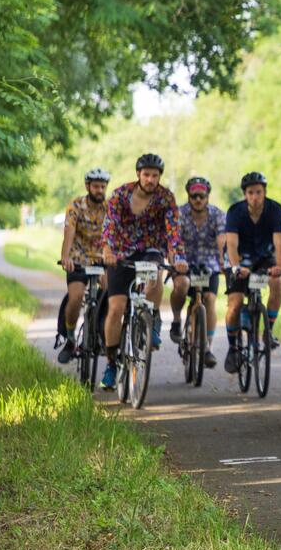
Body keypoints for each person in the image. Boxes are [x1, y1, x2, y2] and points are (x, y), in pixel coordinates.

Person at [99, 154, 187, 390]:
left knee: (155, 274)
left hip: (150, 250)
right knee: (116, 308)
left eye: (155, 175)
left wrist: (177, 258)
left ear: (159, 177)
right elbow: (109, 227)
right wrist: (107, 251)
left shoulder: (165, 197)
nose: (150, 179)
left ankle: (152, 317)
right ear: (138, 174)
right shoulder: (120, 194)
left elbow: (173, 232)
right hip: (120, 253)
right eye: (146, 174)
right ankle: (111, 363)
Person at [223, 171, 281, 374]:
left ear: (264, 192)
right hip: (239, 258)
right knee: (234, 304)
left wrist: (279, 266)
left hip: (264, 258)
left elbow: (279, 242)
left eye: (258, 192)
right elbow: (231, 243)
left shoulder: (275, 209)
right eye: (250, 193)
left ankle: (267, 329)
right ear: (245, 194)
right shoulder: (235, 211)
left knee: (277, 283)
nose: (255, 197)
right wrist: (235, 266)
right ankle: (233, 347)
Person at [168, 176, 226, 368]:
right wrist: (176, 261)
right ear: (189, 197)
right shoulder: (180, 214)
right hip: (185, 262)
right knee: (181, 285)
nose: (198, 200)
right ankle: (176, 320)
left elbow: (222, 240)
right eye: (194, 197)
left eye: (202, 196)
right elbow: (173, 241)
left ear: (208, 197)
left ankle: (207, 347)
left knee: (209, 299)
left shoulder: (217, 215)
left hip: (210, 263)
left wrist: (222, 260)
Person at [56, 167, 110, 364]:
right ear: (88, 186)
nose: (99, 190)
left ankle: (104, 334)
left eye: (103, 187)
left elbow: (114, 234)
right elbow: (69, 231)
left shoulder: (110, 207)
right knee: (76, 296)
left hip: (102, 259)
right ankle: (70, 339)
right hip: (78, 258)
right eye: (96, 186)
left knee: (111, 293)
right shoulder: (76, 205)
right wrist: (65, 256)